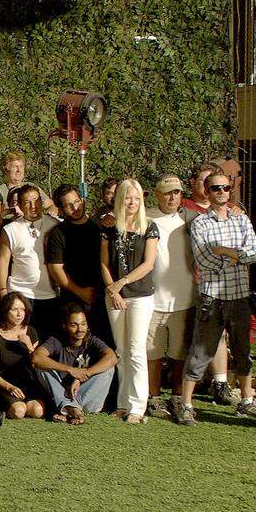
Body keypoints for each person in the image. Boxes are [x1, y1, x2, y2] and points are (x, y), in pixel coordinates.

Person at [177, 169, 256, 424]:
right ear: (207, 192)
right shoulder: (200, 223)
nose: (221, 192)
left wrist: (225, 251)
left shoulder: (241, 220)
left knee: (243, 350)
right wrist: (236, 257)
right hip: (212, 297)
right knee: (200, 351)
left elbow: (255, 253)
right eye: (216, 188)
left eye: (226, 188)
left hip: (239, 295)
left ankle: (247, 401)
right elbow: (204, 260)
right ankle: (186, 405)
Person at [100, 178, 159, 424]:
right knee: (121, 350)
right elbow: (104, 262)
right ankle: (123, 403)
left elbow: (149, 264)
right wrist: (112, 291)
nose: (132, 202)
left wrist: (121, 284)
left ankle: (138, 405)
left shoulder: (149, 227)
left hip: (140, 296)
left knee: (136, 350)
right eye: (127, 197)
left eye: (136, 198)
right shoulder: (110, 227)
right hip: (114, 296)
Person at [144, 174, 197, 422]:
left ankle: (177, 398)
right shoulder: (146, 218)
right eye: (167, 192)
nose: (172, 197)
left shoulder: (191, 219)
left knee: (179, 353)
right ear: (157, 195)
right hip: (152, 299)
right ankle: (153, 398)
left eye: (176, 192)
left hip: (184, 298)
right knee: (152, 352)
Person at [46, 183, 108, 343]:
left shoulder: (100, 227)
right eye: (68, 205)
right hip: (74, 301)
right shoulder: (57, 233)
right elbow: (56, 269)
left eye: (77, 201)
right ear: (60, 209)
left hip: (103, 299)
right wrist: (80, 292)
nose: (75, 207)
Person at [0, 184, 59, 335]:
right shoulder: (10, 230)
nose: (33, 206)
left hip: (49, 295)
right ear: (19, 205)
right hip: (21, 295)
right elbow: (3, 262)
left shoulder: (55, 225)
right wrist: (3, 292)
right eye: (27, 202)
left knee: (47, 342)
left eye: (36, 201)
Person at [0, 292, 47, 419]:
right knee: (19, 411)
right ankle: (1, 406)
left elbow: (38, 363)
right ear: (5, 311)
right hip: (5, 385)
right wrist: (9, 387)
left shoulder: (31, 332)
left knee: (37, 411)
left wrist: (29, 346)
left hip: (27, 383)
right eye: (14, 310)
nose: (19, 314)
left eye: (22, 309)